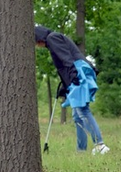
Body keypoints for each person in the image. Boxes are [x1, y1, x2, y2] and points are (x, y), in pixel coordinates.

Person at [34, 26, 109, 155]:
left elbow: (66, 58)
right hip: (77, 72)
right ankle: (81, 150)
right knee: (77, 115)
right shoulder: (55, 38)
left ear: (38, 38)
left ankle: (100, 145)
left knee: (82, 110)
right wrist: (65, 85)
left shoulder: (52, 38)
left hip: (78, 72)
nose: (36, 45)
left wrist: (73, 75)